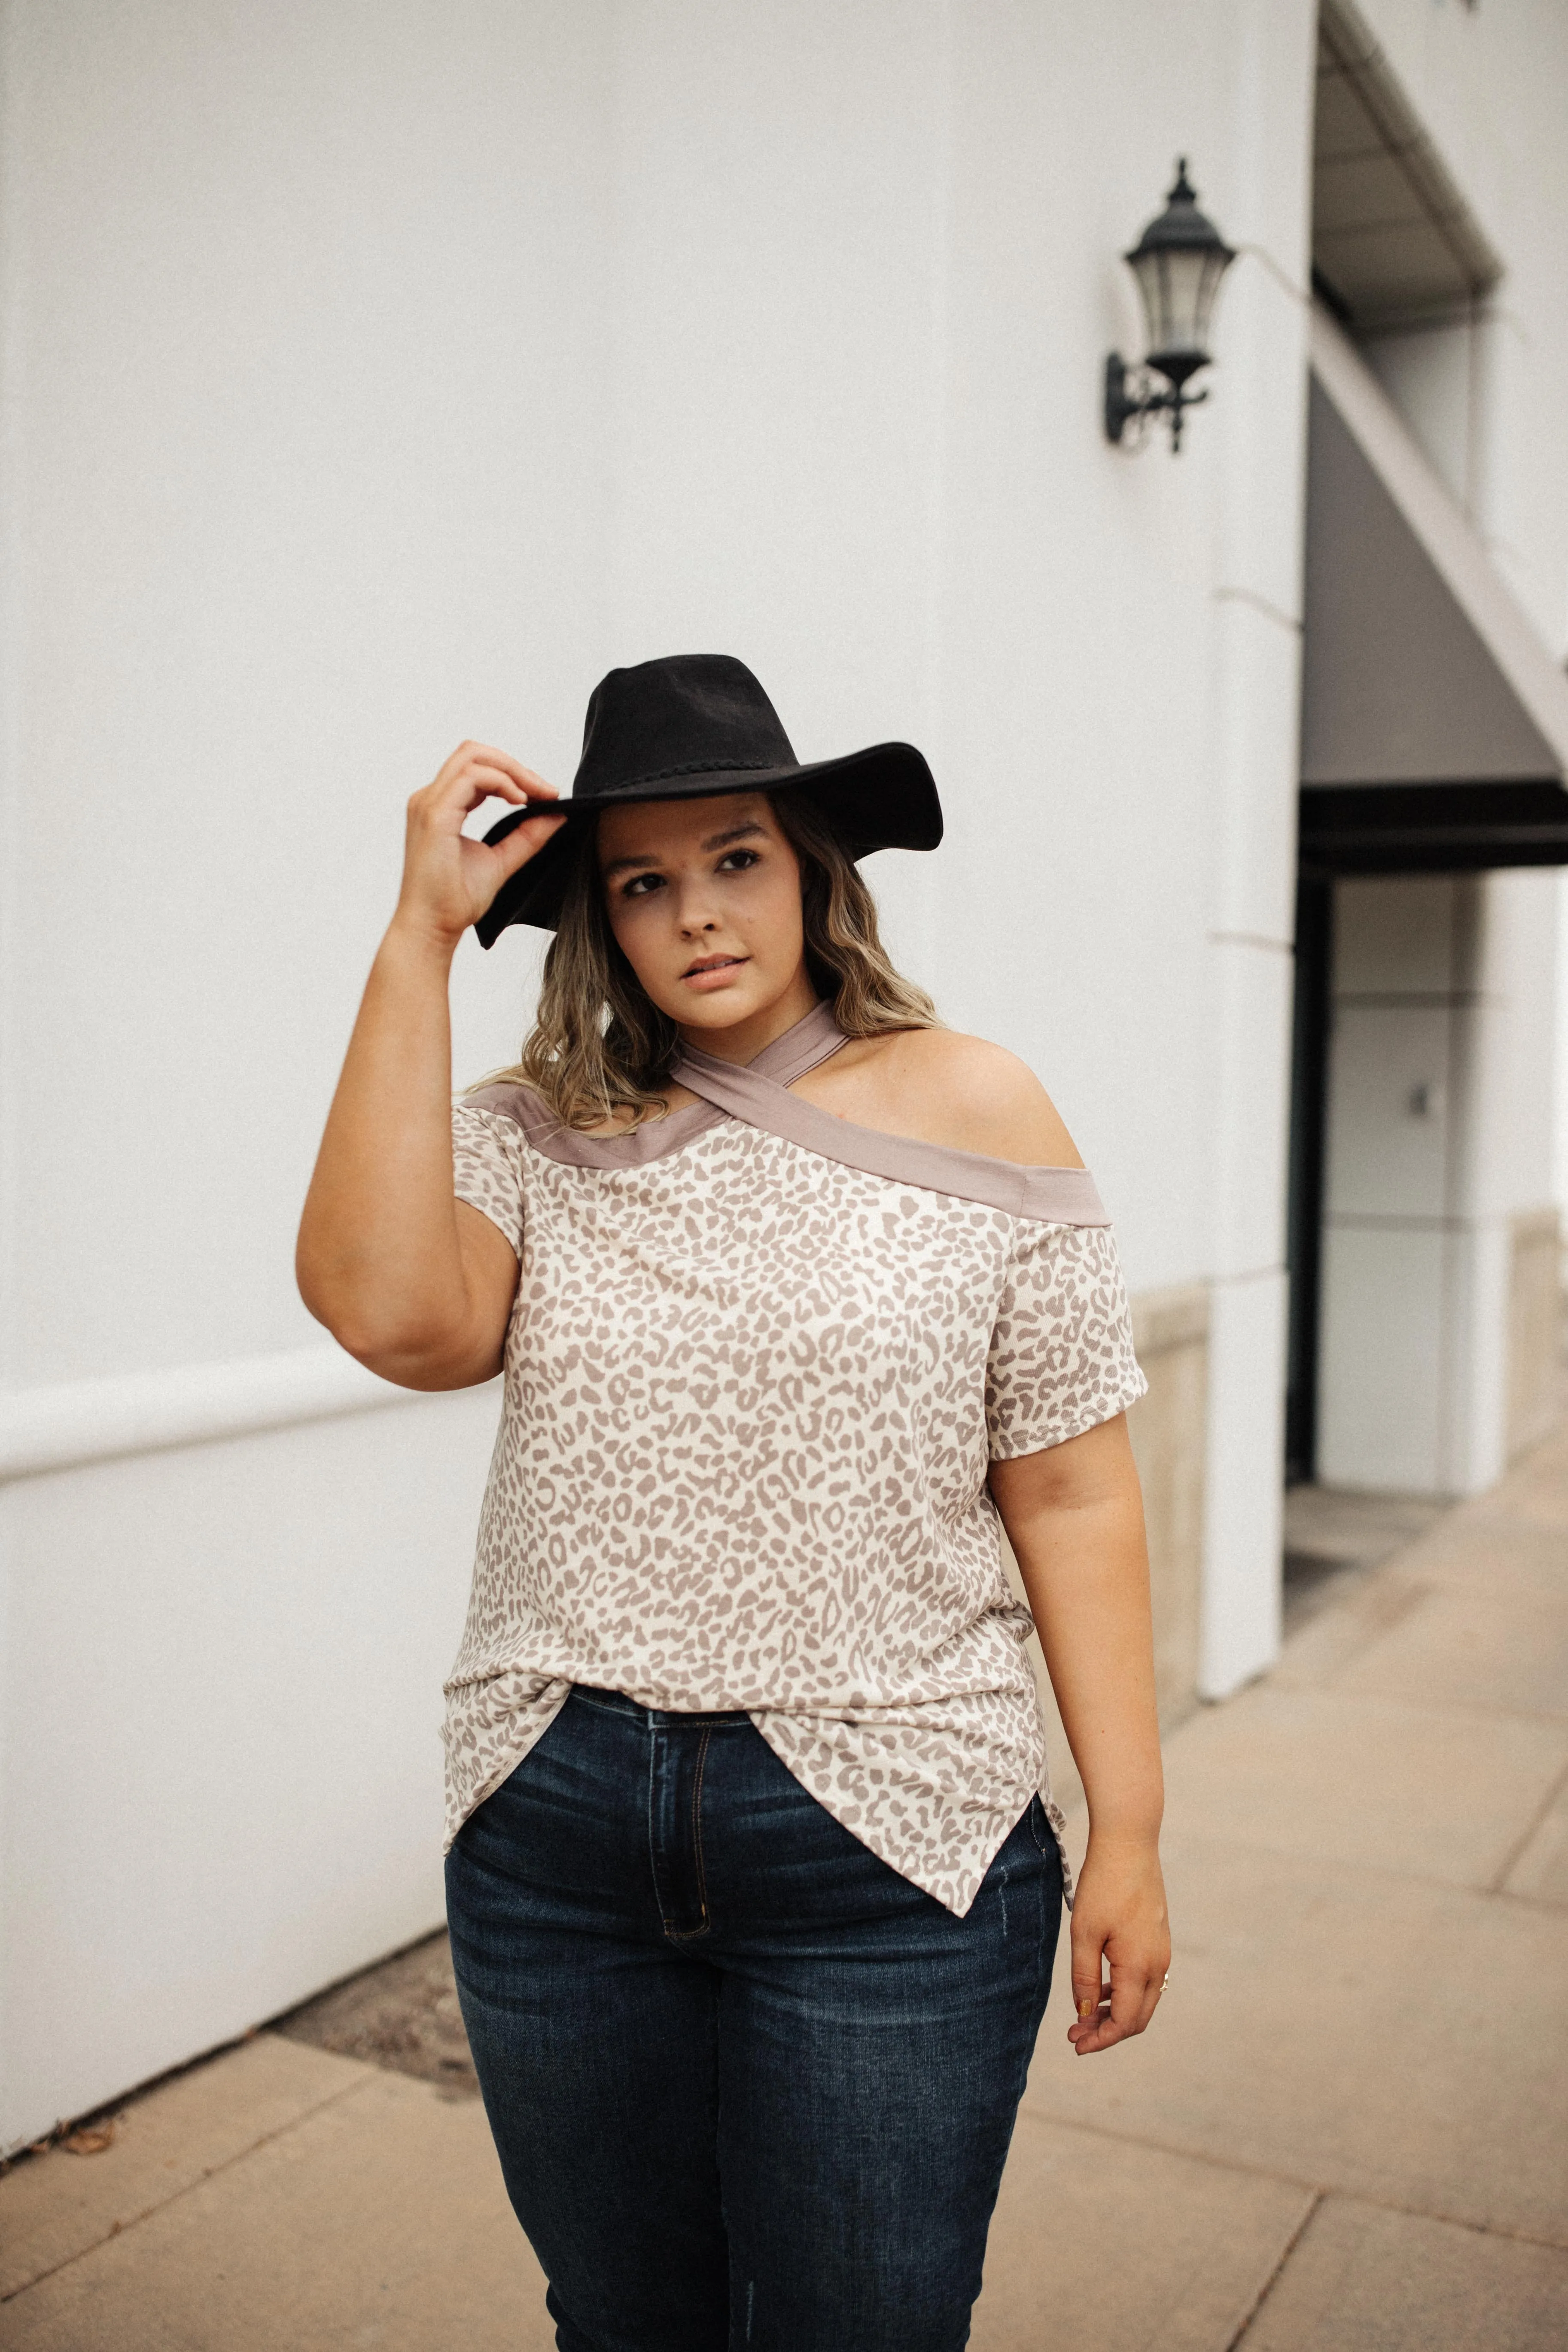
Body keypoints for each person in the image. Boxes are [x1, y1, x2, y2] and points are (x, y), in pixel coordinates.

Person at [297, 653, 1170, 2352]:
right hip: (558, 1829)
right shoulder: (538, 1132)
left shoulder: (976, 1102)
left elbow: (1071, 1486)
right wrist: (417, 935)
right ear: (599, 922)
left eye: (735, 857)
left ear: (813, 868)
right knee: (627, 2329)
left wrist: (1128, 1829)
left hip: (892, 1844)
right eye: (642, 881)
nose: (695, 912)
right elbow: (389, 1313)